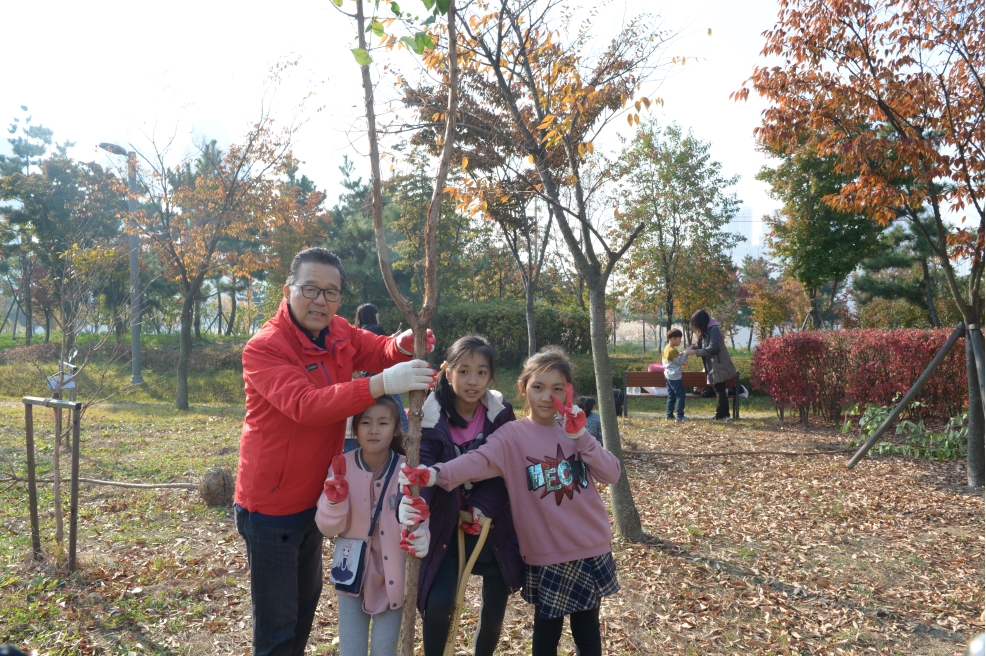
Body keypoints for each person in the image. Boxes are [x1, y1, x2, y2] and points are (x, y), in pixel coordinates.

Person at [233, 247, 437, 656]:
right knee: (277, 624)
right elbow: (305, 405)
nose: (320, 301)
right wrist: (380, 384)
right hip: (271, 508)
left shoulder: (339, 330)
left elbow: (375, 350)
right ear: (289, 289)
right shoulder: (265, 348)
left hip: (319, 498)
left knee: (304, 611)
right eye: (310, 289)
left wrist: (399, 343)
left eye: (331, 292)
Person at [402, 346, 622, 656]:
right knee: (546, 635)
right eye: (538, 387)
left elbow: (611, 473)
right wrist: (435, 474)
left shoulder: (573, 431)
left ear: (568, 392)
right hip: (547, 553)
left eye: (556, 389)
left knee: (587, 632)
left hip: (591, 546)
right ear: (523, 389)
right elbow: (476, 461)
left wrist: (581, 436)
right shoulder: (511, 436)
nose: (547, 397)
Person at [412, 335, 522, 656]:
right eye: (464, 371)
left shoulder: (500, 415)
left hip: (492, 526)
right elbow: (426, 472)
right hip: (445, 527)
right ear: (448, 374)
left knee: (492, 617)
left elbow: (506, 469)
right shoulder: (430, 417)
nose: (472, 381)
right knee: (439, 606)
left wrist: (480, 507)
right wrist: (420, 516)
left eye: (481, 372)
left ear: (491, 376)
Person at [315, 395, 430, 656]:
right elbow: (327, 528)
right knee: (351, 650)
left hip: (393, 576)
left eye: (383, 423)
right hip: (351, 572)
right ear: (355, 428)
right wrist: (334, 503)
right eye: (366, 422)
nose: (374, 430)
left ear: (397, 428)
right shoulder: (342, 466)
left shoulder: (406, 469)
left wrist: (422, 534)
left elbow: (421, 519)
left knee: (384, 650)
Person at [355, 303, 409, 434]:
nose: (378, 315)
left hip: (366, 381)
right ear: (372, 315)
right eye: (376, 313)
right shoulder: (377, 329)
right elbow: (384, 352)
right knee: (401, 416)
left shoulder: (358, 332)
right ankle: (407, 446)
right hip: (383, 379)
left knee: (370, 417)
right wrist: (394, 340)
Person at [684, 309, 737, 421]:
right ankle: (724, 414)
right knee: (719, 390)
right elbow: (703, 348)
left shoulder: (714, 330)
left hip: (718, 363)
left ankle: (721, 415)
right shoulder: (705, 331)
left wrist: (696, 352)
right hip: (712, 365)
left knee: (719, 390)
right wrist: (692, 348)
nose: (696, 327)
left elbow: (712, 348)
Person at [662, 329, 689, 421]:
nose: (680, 341)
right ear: (673, 339)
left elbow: (674, 359)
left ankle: (669, 415)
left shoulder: (667, 348)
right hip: (674, 377)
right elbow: (680, 362)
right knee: (681, 395)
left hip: (668, 375)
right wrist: (686, 353)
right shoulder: (672, 350)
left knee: (671, 396)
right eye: (679, 339)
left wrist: (681, 354)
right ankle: (680, 416)